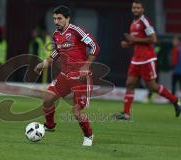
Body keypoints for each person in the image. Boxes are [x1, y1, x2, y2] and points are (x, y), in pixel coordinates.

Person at [34, 5, 100, 146]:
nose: (56, 21)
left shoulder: (76, 31)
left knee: (76, 111)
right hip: (65, 75)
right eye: (54, 19)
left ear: (67, 19)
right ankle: (50, 125)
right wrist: (44, 63)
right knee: (47, 98)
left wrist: (86, 65)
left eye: (59, 18)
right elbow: (57, 52)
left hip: (81, 77)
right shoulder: (56, 35)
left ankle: (88, 135)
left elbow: (95, 46)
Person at [116, 0, 181, 120]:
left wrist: (134, 40)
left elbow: (153, 39)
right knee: (129, 84)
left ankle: (175, 100)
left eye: (138, 8)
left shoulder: (145, 22)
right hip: (136, 59)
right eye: (134, 8)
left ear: (142, 9)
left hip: (147, 59)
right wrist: (128, 43)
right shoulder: (133, 23)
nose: (135, 10)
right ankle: (126, 114)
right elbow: (136, 40)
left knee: (152, 86)